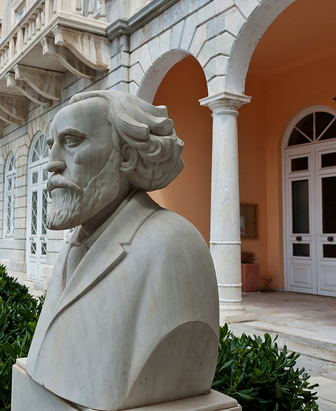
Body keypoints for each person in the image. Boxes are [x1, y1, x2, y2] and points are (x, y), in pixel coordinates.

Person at [24, 91, 219, 410]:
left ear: (127, 155)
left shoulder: (173, 245)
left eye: (71, 141)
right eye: (51, 145)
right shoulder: (74, 244)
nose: (53, 163)